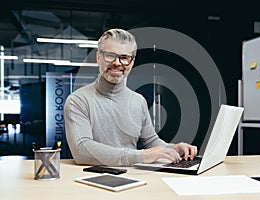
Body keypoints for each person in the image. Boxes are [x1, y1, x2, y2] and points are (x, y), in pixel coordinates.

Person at [64, 28, 198, 166]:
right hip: (91, 180)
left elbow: (151, 141)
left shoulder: (138, 101)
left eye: (124, 58)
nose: (117, 63)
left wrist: (173, 148)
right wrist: (141, 156)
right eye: (110, 55)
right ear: (98, 57)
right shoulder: (77, 101)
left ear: (132, 62)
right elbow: (81, 151)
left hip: (133, 179)